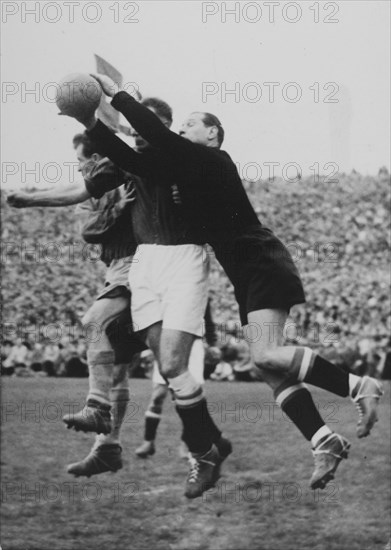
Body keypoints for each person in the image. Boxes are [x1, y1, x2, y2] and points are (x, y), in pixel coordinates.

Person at [72, 75, 382, 494]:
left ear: (212, 133)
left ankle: (359, 386)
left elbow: (153, 134)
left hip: (260, 260)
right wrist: (90, 124)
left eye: (188, 127)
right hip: (244, 270)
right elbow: (136, 160)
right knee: (268, 365)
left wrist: (116, 94)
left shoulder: (216, 160)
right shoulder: (184, 166)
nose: (180, 132)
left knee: (269, 352)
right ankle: (325, 442)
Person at [7, 132, 145, 477]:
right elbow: (90, 230)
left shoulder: (125, 174)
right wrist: (115, 209)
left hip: (136, 265)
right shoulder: (103, 193)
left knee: (93, 320)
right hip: (117, 269)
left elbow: (102, 224)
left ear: (99, 158)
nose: (81, 167)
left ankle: (96, 406)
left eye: (83, 160)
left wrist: (31, 198)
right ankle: (108, 447)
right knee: (120, 367)